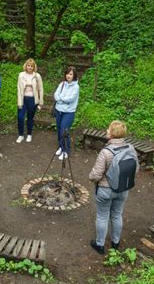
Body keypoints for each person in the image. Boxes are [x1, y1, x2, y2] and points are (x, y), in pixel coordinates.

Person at [88, 120, 139, 254]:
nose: (106, 131)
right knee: (117, 215)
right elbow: (136, 169)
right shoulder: (131, 148)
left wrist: (91, 177)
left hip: (105, 190)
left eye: (108, 129)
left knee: (102, 216)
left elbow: (95, 175)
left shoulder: (106, 152)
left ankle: (100, 245)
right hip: (123, 189)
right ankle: (115, 243)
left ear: (112, 134)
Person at [54, 66, 80, 160]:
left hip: (69, 112)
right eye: (67, 73)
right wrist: (61, 99)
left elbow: (70, 99)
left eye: (71, 74)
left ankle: (66, 151)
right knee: (59, 130)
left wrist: (60, 99)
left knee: (64, 131)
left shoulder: (76, 87)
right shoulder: (62, 84)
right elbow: (56, 95)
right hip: (58, 110)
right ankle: (61, 147)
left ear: (74, 75)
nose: (69, 76)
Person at [16, 58, 44, 143]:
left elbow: (41, 89)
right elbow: (18, 89)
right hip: (23, 99)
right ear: (26, 66)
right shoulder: (21, 75)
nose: (30, 67)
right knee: (20, 117)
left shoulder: (37, 76)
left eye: (32, 66)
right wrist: (19, 101)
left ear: (34, 67)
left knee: (30, 118)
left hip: (32, 99)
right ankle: (21, 135)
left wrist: (41, 102)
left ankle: (29, 134)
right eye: (28, 65)